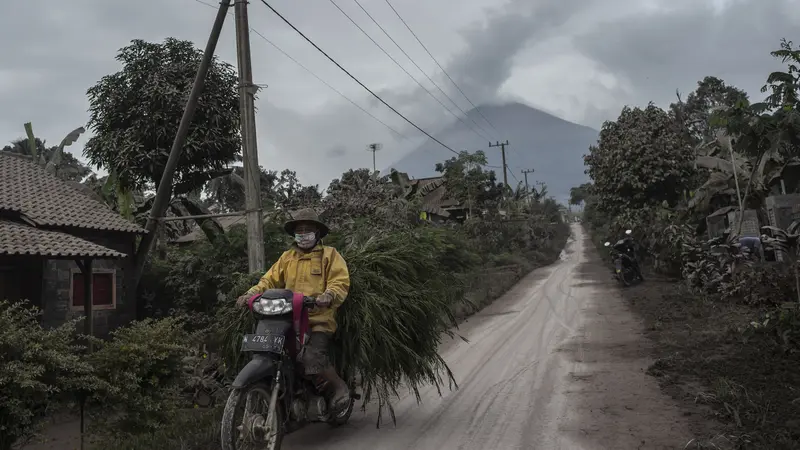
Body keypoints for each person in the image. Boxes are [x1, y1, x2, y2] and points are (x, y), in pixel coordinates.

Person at [236, 208, 351, 412]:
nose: (303, 233)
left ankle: (339, 387)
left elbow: (339, 281)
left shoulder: (330, 255)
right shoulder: (287, 257)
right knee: (268, 351)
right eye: (299, 230)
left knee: (311, 357)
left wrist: (329, 295)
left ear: (317, 233)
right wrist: (250, 293)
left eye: (308, 229)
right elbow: (268, 280)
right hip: (286, 318)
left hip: (318, 320)